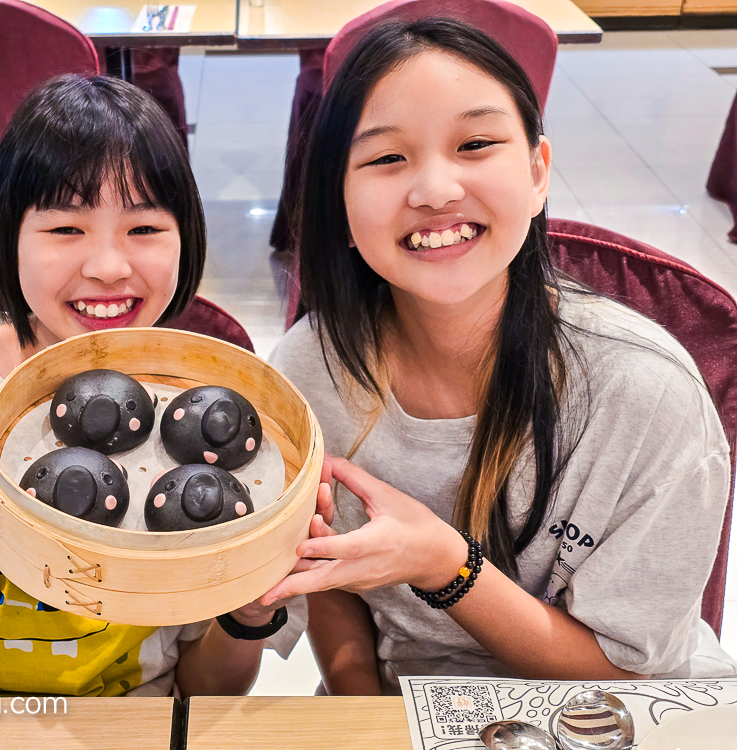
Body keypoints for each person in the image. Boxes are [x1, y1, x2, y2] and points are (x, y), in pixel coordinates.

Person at [262, 18, 737, 693]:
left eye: (475, 144)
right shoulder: (312, 369)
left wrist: (445, 566)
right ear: (339, 199)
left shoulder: (647, 393)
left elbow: (632, 677)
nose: (433, 190)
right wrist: (360, 703)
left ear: (538, 172)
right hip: (406, 706)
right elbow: (332, 574)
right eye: (387, 158)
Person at [0, 74, 298, 697]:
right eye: (65, 230)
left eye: (145, 229)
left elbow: (207, 694)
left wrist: (250, 609)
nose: (108, 267)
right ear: (4, 235)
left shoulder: (206, 399)